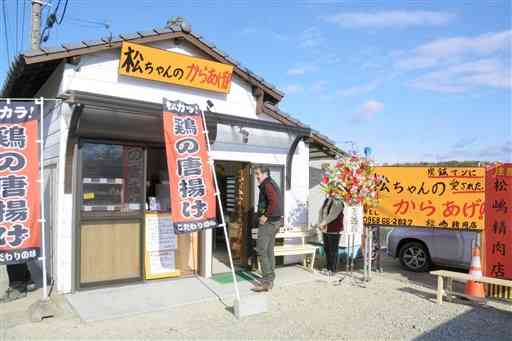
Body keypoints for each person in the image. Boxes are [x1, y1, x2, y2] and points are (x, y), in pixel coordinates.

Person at [252, 166, 282, 292]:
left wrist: (265, 215)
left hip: (269, 222)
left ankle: (266, 280)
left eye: (258, 174)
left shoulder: (267, 184)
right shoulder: (271, 183)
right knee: (269, 250)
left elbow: (274, 202)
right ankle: (270, 278)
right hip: (275, 221)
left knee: (261, 250)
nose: (256, 176)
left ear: (264, 173)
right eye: (256, 174)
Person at [318, 197, 344, 276]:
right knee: (327, 249)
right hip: (325, 229)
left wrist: (322, 223)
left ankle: (333, 269)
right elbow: (320, 212)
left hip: (334, 229)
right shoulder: (327, 200)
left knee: (333, 250)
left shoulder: (338, 202)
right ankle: (328, 267)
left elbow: (333, 215)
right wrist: (320, 223)